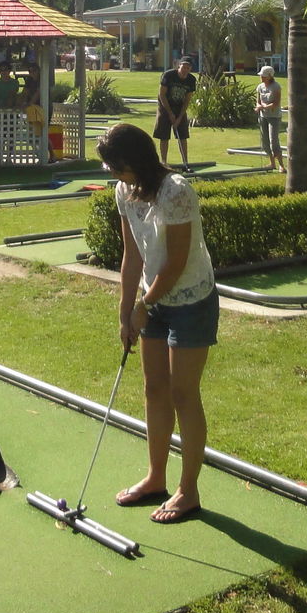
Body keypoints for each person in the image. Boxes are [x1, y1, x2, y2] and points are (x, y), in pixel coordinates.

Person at [97, 123, 217, 525]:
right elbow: (132, 255)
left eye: (117, 167)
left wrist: (143, 306)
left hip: (190, 299)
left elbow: (177, 260)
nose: (114, 175)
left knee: (184, 393)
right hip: (153, 298)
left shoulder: (176, 191)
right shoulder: (124, 192)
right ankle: (156, 478)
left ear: (135, 161)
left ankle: (189, 490)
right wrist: (125, 308)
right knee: (153, 389)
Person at [154, 56, 198, 170]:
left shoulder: (191, 80)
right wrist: (169, 113)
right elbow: (162, 95)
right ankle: (164, 163)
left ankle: (185, 163)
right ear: (179, 65)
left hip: (179, 108)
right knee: (164, 136)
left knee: (182, 136)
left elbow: (187, 100)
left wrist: (179, 117)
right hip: (164, 107)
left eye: (188, 68)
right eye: (184, 67)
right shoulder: (168, 75)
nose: (185, 70)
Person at [254, 66, 284, 172]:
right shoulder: (260, 87)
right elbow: (258, 100)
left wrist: (264, 107)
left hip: (274, 117)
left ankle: (281, 165)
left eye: (264, 76)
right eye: (261, 76)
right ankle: (272, 163)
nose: (261, 78)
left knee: (273, 141)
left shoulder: (276, 87)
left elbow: (276, 103)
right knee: (265, 141)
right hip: (263, 116)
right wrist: (258, 106)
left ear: (270, 76)